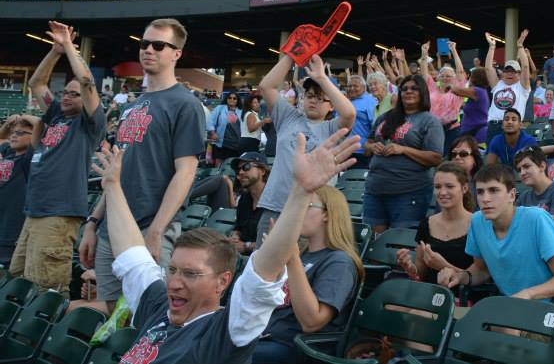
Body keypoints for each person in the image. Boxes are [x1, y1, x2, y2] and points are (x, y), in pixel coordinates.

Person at [94, 127, 359, 364]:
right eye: (172, 270)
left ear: (223, 282)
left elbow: (261, 277)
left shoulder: (223, 333)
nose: (174, 282)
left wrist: (300, 193)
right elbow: (132, 254)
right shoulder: (157, 305)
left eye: (191, 273)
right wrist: (113, 187)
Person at [83, 18, 205, 311]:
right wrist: (93, 223)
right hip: (110, 229)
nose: (148, 49)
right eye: (144, 44)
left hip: (150, 228)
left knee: (150, 315)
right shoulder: (132, 104)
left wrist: (156, 232)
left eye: (159, 45)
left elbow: (186, 173)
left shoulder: (185, 104)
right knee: (114, 315)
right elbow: (114, 175)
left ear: (176, 53)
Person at [12, 22, 105, 294]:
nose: (66, 97)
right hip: (35, 212)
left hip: (58, 213)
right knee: (19, 282)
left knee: (46, 288)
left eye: (73, 94)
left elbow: (87, 82)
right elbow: (36, 83)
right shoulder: (55, 116)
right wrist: (54, 52)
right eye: (64, 92)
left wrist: (69, 48)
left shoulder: (89, 124)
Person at [253, 185, 362, 363]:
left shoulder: (340, 262)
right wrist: (272, 255)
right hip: (266, 335)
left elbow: (311, 322)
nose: (296, 213)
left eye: (307, 205)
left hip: (297, 347)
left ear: (327, 214)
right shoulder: (302, 254)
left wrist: (292, 258)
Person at [257, 51, 356, 244]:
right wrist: (291, 55)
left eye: (320, 98)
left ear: (331, 106)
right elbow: (266, 86)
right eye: (309, 95)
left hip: (311, 211)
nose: (312, 100)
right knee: (262, 267)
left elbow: (349, 113)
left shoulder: (331, 127)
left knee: (301, 270)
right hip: (275, 206)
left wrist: (321, 78)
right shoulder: (288, 117)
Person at [437, 164, 554, 300]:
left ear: (512, 195)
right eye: (480, 192)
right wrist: (461, 276)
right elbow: (482, 268)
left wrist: (529, 294)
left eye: (494, 190)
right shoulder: (477, 221)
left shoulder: (537, 219)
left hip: (550, 308)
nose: (485, 199)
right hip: (507, 307)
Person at [363, 75, 444, 233]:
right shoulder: (385, 117)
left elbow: (436, 158)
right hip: (375, 190)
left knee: (398, 245)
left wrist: (404, 149)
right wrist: (372, 147)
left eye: (414, 88)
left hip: (409, 192)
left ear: (423, 93)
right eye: (404, 89)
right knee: (375, 244)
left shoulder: (429, 121)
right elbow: (367, 143)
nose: (408, 91)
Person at [396, 162, 473, 285]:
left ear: (464, 188)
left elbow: (481, 277)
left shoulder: (477, 224)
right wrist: (410, 268)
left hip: (463, 298)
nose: (442, 192)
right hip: (428, 295)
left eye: (449, 186)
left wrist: (442, 266)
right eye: (437, 187)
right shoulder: (427, 223)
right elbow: (420, 273)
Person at [484, 30, 531, 141]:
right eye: (507, 71)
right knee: (491, 156)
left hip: (513, 126)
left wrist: (520, 46)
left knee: (512, 158)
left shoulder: (522, 87)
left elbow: (525, 67)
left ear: (519, 74)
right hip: (494, 127)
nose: (509, 74)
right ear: (503, 72)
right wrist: (491, 47)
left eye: (513, 71)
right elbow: (488, 68)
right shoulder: (498, 84)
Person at [0, 116, 34, 266]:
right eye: (14, 132)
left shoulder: (30, 159)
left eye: (21, 133)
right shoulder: (10, 153)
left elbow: (42, 128)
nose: (14, 135)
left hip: (10, 230)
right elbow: (2, 137)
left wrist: (24, 117)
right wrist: (9, 125)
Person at [515, 146, 554, 225]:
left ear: (542, 166)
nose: (522, 173)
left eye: (526, 166)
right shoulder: (524, 197)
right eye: (519, 170)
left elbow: (548, 226)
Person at [447, 41, 490, 143]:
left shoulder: (477, 91)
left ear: (475, 78)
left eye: (471, 76)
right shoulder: (479, 92)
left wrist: (447, 83)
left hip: (476, 133)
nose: (469, 78)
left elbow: (456, 90)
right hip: (470, 131)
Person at [230, 151, 269, 256]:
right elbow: (238, 227)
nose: (241, 173)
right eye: (238, 170)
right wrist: (235, 236)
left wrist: (246, 246)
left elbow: (278, 241)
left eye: (246, 167)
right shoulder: (244, 199)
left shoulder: (275, 201)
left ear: (262, 171)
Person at [346, 75, 377, 168]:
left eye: (355, 86)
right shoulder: (345, 101)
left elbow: (376, 126)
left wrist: (369, 146)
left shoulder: (369, 101)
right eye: (350, 86)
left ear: (363, 88)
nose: (352, 88)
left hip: (361, 152)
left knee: (358, 181)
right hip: (344, 151)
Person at [207, 91, 243, 166]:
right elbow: (210, 121)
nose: (232, 99)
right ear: (226, 99)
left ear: (237, 100)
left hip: (236, 144)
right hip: (221, 142)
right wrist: (213, 133)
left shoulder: (241, 111)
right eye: (229, 97)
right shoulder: (220, 108)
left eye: (234, 98)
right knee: (219, 165)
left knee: (232, 166)